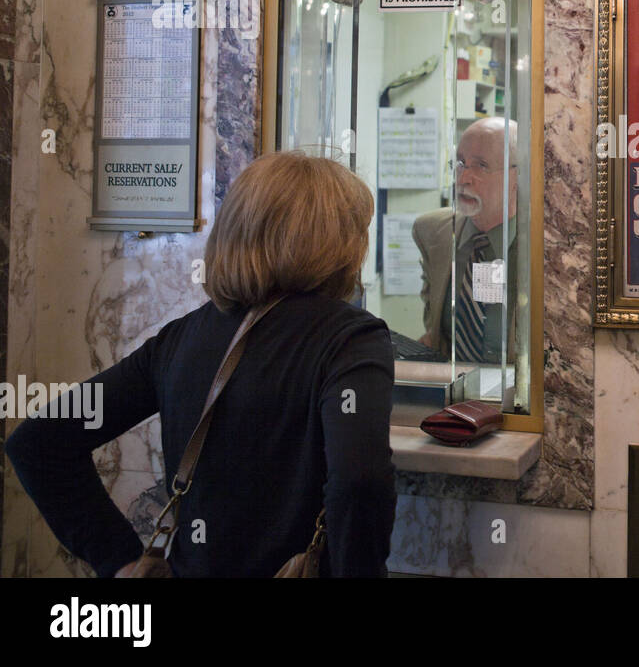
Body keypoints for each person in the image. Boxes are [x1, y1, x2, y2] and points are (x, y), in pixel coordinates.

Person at [3, 151, 396, 577]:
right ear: (340, 245)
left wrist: (119, 560)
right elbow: (360, 482)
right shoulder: (352, 338)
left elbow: (39, 442)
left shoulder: (182, 337)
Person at [411, 116, 518, 364]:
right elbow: (434, 325)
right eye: (460, 163)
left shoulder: (548, 246)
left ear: (518, 177)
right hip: (455, 393)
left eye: (480, 165)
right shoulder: (432, 232)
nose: (463, 178)